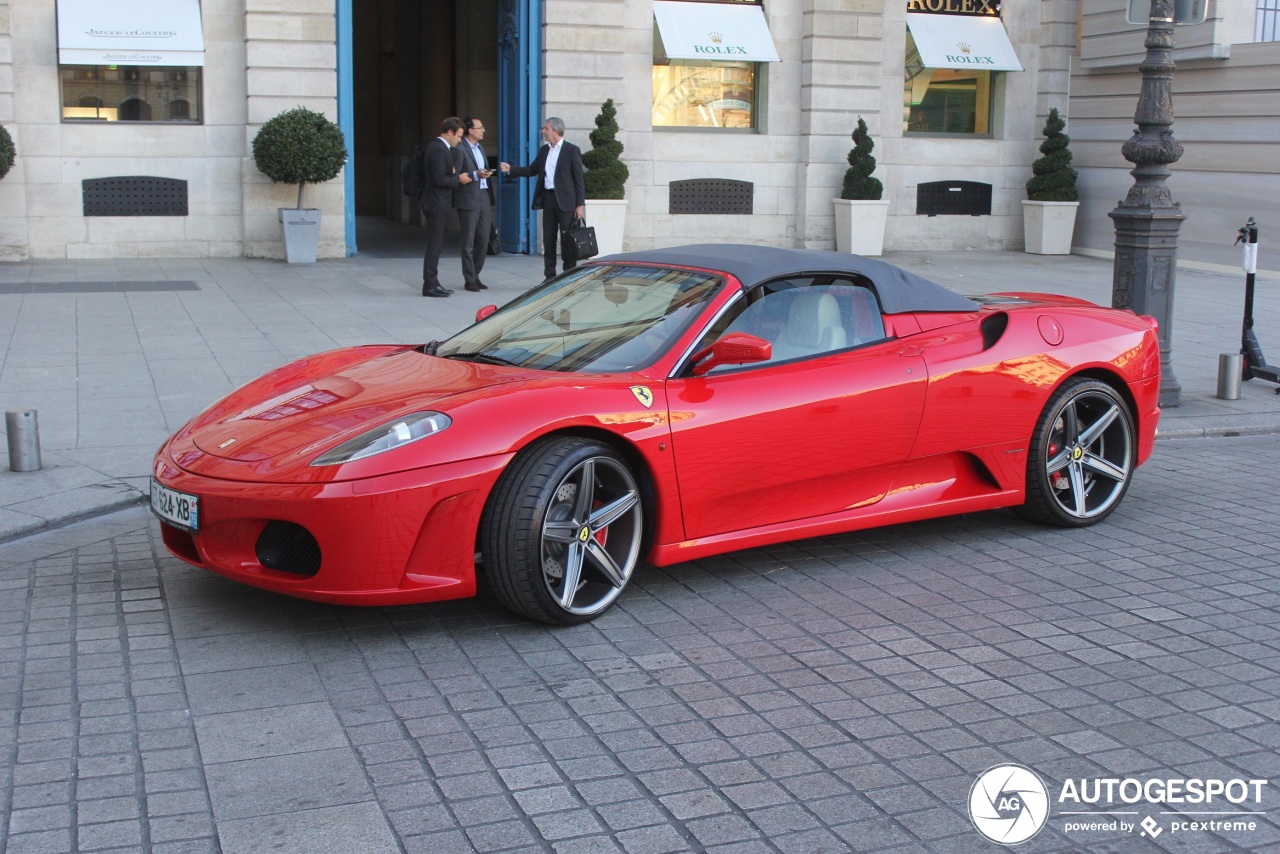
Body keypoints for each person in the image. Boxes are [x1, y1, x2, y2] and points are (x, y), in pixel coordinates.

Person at [499, 117, 585, 283]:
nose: (542, 131)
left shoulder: (571, 150)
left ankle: (568, 276)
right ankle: (549, 277)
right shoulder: (544, 150)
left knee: (568, 240)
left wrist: (580, 205)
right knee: (549, 238)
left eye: (545, 128)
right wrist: (512, 169)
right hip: (548, 199)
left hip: (567, 202)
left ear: (556, 131)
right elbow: (532, 169)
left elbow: (578, 179)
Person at [420, 117, 472, 298]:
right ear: (449, 132)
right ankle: (430, 285)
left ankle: (433, 282)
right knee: (434, 245)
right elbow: (438, 179)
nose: (459, 140)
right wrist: (458, 179)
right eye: (458, 136)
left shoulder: (442, 149)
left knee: (437, 244)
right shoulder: (437, 149)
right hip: (435, 203)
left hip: (439, 202)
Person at [456, 118, 495, 292]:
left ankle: (476, 273)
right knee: (468, 240)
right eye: (480, 128)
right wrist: (475, 174)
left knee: (484, 236)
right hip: (468, 197)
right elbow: (456, 173)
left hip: (484, 195)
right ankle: (469, 278)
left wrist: (484, 174)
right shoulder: (459, 148)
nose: (483, 130)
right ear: (470, 131)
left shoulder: (480, 148)